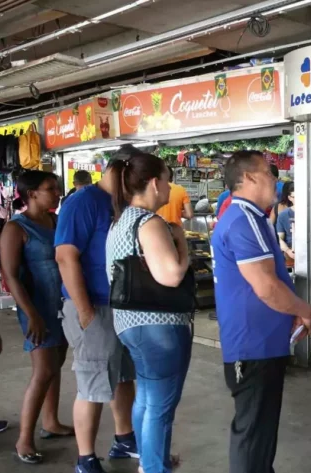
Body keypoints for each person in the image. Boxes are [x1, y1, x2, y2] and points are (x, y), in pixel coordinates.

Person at [211, 150, 311, 473]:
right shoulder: (243, 220)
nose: (275, 181)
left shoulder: (253, 218)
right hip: (253, 348)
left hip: (261, 346)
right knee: (253, 437)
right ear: (249, 178)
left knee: (259, 435)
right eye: (269, 174)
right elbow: (266, 287)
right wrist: (304, 309)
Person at [106, 152, 192, 473]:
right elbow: (172, 275)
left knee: (147, 397)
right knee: (160, 406)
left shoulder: (120, 221)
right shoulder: (149, 223)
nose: (171, 187)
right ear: (155, 183)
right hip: (159, 328)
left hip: (130, 325)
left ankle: (149, 462)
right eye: (168, 180)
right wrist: (181, 243)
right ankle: (155, 467)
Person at [55, 157, 137, 473]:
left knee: (123, 375)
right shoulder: (83, 202)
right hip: (93, 307)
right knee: (93, 383)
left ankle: (124, 439)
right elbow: (65, 257)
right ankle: (85, 458)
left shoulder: (122, 202)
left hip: (120, 306)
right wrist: (85, 311)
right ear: (118, 172)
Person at [0, 171, 72, 464]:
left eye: (56, 187)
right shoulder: (16, 228)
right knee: (43, 370)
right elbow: (11, 276)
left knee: (56, 364)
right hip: (36, 307)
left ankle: (51, 422)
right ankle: (24, 439)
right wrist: (32, 315)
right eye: (50, 188)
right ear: (31, 194)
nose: (57, 192)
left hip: (62, 304)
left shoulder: (56, 221)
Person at [275, 182, 295, 263]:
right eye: (295, 197)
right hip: (291, 250)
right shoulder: (284, 215)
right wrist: (288, 251)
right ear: (290, 198)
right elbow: (280, 239)